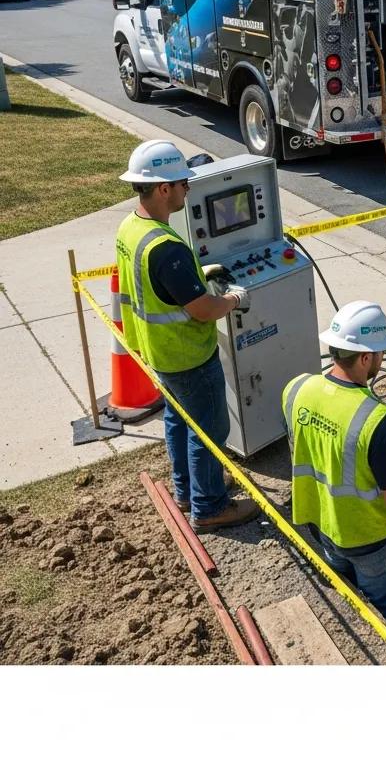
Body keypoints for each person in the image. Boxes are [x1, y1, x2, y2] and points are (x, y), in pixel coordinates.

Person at [116, 140, 258, 531]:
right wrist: (232, 298)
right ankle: (210, 507)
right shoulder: (167, 249)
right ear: (164, 189)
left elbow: (159, 287)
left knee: (179, 423)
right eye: (183, 184)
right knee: (209, 432)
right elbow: (203, 309)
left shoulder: (132, 228)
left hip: (157, 353)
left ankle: (187, 490)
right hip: (188, 356)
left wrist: (195, 275)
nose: (187, 190)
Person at [284, 300, 386, 633]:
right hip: (373, 543)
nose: (382, 360)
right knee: (384, 619)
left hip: (321, 527)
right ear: (366, 357)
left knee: (352, 605)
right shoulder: (378, 420)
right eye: (381, 352)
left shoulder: (296, 389)